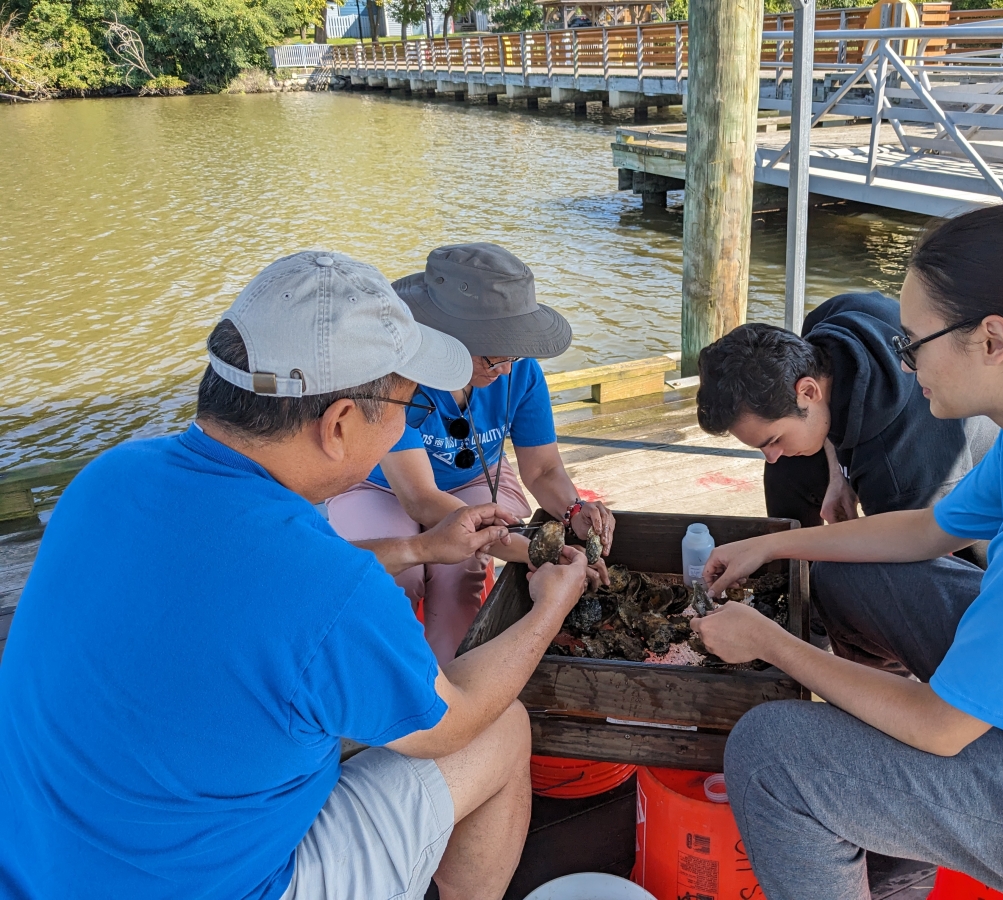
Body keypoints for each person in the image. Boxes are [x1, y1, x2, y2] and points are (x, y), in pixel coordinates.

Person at [0, 251, 593, 900]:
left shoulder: (107, 480)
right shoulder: (329, 589)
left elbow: (245, 593)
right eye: (402, 404)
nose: (405, 422)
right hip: (229, 886)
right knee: (502, 732)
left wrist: (418, 548)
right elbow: (456, 720)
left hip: (39, 869)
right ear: (339, 425)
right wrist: (549, 609)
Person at [693, 204, 1003, 900]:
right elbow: (927, 530)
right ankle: (888, 822)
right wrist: (773, 545)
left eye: (913, 343)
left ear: (992, 340)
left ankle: (865, 805)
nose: (906, 364)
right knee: (845, 574)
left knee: (769, 754)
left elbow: (942, 727)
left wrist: (770, 641)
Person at [327, 243, 615, 665]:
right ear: (443, 337)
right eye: (491, 352)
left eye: (512, 351)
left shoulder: (519, 371)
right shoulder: (397, 378)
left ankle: (455, 694)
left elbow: (544, 469)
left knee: (460, 578)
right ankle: (391, 687)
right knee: (396, 580)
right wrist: (538, 551)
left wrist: (573, 509)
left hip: (476, 480)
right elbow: (420, 499)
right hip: (381, 486)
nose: (504, 368)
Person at [696, 295, 997, 530]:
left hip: (971, 514)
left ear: (808, 391)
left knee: (847, 579)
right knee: (786, 468)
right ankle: (792, 571)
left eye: (772, 439)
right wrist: (838, 476)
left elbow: (926, 556)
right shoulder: (832, 321)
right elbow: (821, 408)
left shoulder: (900, 474)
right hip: (898, 458)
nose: (769, 455)